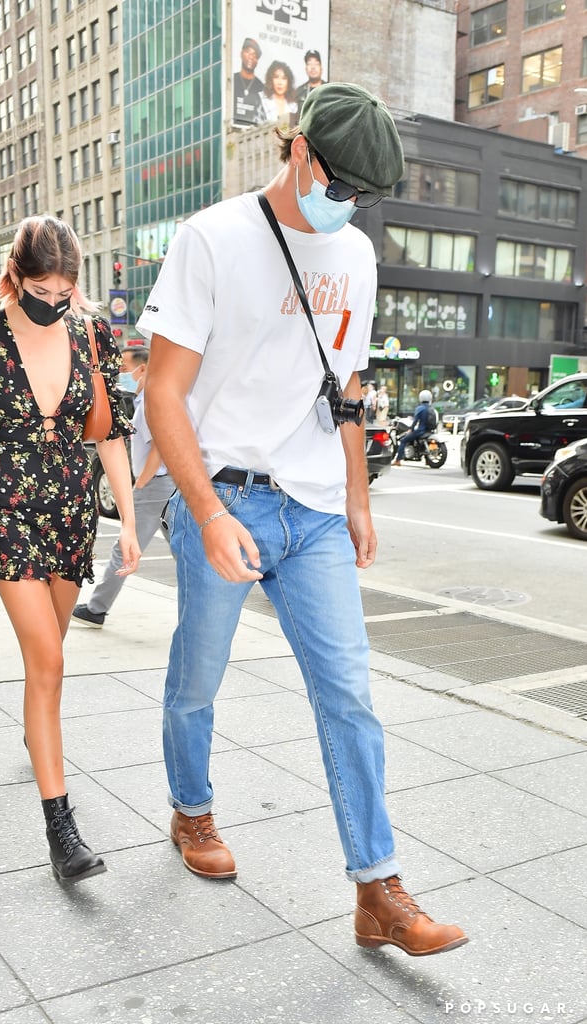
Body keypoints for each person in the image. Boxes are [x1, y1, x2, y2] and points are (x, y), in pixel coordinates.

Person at [139, 82, 467, 957]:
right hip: (227, 495)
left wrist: (356, 496)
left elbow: (347, 389)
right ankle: (191, 808)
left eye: (365, 197)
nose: (348, 207)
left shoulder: (353, 255)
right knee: (198, 676)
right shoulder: (211, 238)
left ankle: (377, 890)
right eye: (340, 186)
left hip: (315, 507)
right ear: (299, 153)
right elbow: (161, 390)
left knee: (350, 697)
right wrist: (204, 510)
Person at [0, 215, 140, 884]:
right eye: (40, 289)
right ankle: (61, 832)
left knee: (47, 664)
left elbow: (109, 434)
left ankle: (38, 733)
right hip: (7, 513)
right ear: (15, 274)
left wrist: (130, 525)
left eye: (63, 292)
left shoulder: (91, 335)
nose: (52, 303)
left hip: (69, 514)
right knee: (50, 661)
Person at [74, 346, 175, 627]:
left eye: (124, 367)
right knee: (183, 549)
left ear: (142, 369)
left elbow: (161, 446)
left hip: (154, 485)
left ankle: (96, 608)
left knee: (125, 547)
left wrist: (140, 483)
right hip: (161, 485)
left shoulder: (151, 402)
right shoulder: (144, 401)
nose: (121, 373)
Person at [393, 389, 434, 465]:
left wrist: (411, 429)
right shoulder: (432, 408)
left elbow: (415, 421)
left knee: (403, 441)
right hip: (429, 431)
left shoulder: (420, 408)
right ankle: (427, 461)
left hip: (420, 430)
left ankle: (398, 460)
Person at [232, 37, 265, 127]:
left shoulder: (262, 87)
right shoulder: (231, 80)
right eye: (248, 52)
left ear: (257, 61)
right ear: (241, 54)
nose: (251, 57)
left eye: (254, 55)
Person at [260, 60, 298, 126]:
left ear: (288, 82)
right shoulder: (261, 99)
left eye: (284, 78)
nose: (280, 82)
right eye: (276, 77)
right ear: (270, 79)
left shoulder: (294, 105)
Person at [295, 49, 326, 115]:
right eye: (309, 64)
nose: (313, 67)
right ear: (306, 69)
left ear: (321, 68)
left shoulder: (329, 89)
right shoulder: (299, 92)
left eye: (316, 64)